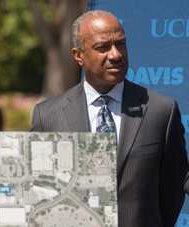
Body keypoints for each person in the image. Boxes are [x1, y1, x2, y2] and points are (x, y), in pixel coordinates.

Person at [30, 10, 189, 227]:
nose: (115, 54)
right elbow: (39, 194)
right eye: (102, 47)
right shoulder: (48, 116)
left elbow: (172, 191)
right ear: (78, 55)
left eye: (121, 44)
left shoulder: (161, 110)